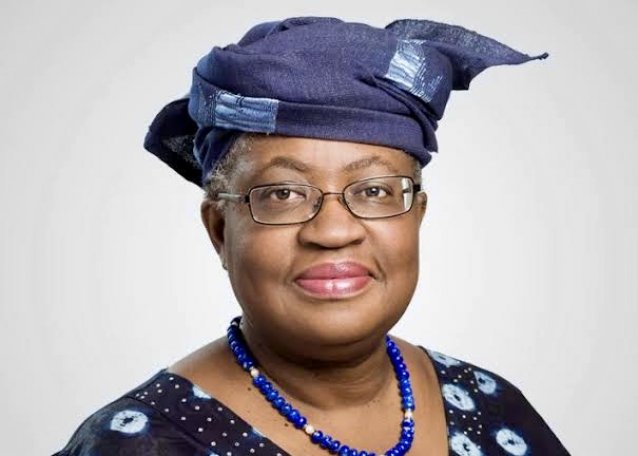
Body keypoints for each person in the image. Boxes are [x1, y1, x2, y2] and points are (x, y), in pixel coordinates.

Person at [55, 16, 570, 456]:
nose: (333, 231)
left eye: (374, 190)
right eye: (282, 193)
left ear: (417, 217)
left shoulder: (493, 409)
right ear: (219, 230)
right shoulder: (141, 444)